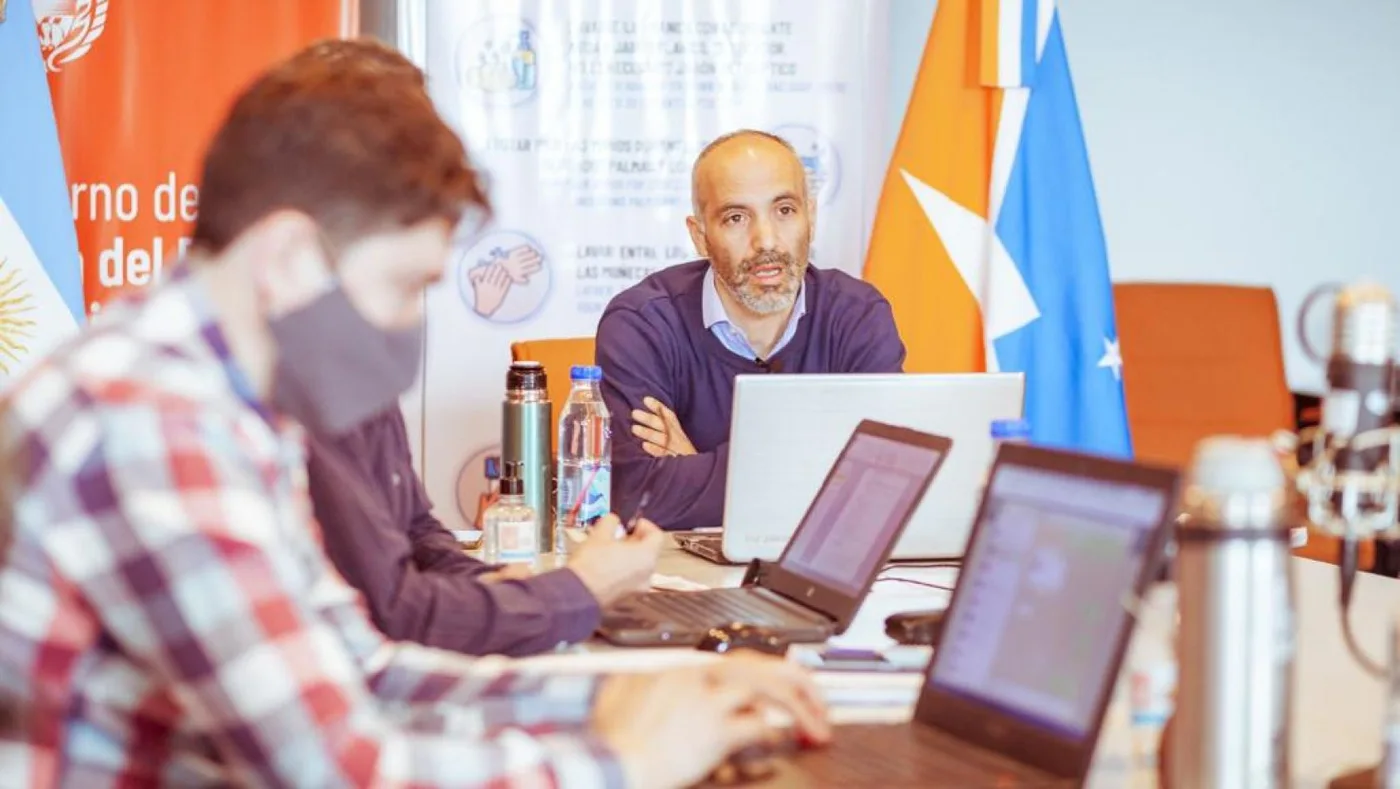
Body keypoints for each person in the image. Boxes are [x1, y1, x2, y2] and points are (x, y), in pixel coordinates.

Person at [0, 40, 828, 787]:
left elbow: (364, 671)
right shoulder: (151, 422)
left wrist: (651, 688)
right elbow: (340, 769)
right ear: (288, 259)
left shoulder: (230, 398)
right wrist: (631, 757)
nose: (408, 333)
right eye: (402, 290)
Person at [595, 129, 907, 531]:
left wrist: (692, 466)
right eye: (736, 218)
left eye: (784, 211)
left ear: (810, 217)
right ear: (700, 236)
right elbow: (637, 495)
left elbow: (883, 486)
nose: (766, 241)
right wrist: (822, 467)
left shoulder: (859, 316)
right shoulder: (642, 323)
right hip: (683, 582)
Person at [307, 405, 661, 657]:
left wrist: (489, 582)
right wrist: (582, 587)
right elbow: (394, 612)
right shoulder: (309, 403)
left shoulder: (368, 381)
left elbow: (415, 527)